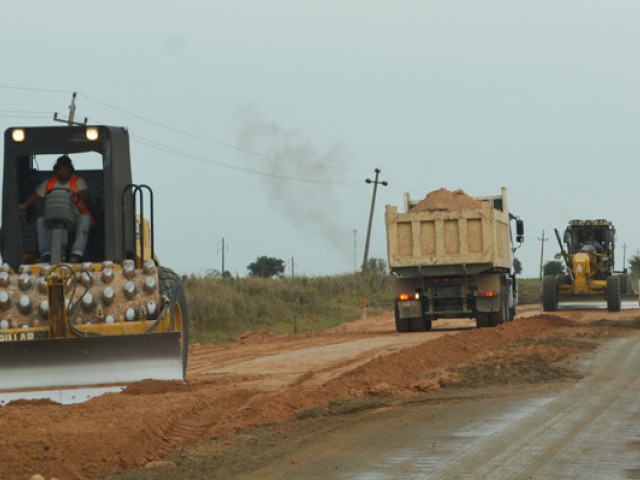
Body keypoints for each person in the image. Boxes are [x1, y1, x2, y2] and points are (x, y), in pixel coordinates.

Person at [18, 155, 92, 263]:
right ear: (56, 169)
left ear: (70, 170)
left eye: (65, 169)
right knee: (39, 221)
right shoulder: (49, 182)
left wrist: (78, 192)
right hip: (51, 219)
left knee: (85, 218)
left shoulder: (78, 182)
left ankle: (77, 253)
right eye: (60, 169)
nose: (62, 172)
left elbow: (87, 197)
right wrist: (24, 205)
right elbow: (35, 195)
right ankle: (45, 253)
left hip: (73, 219)